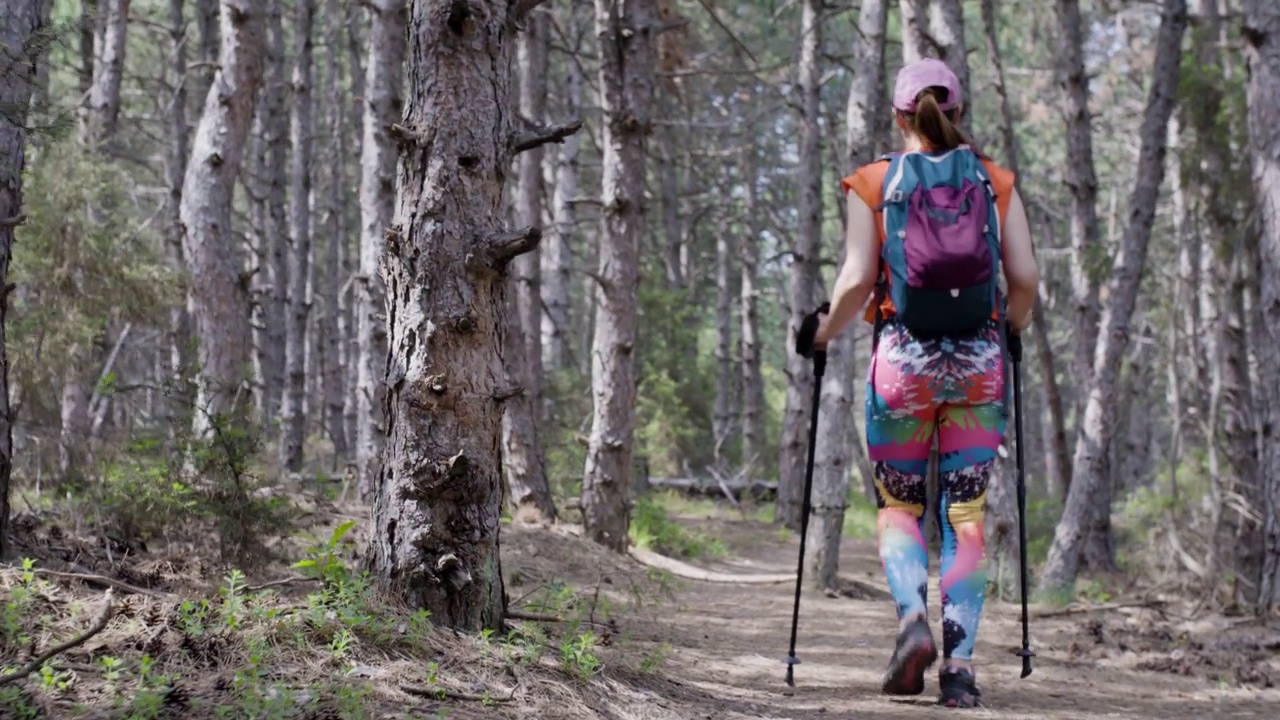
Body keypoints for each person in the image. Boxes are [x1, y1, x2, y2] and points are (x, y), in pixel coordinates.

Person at [811, 58, 1039, 709]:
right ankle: (960, 672)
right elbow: (1024, 280)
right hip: (977, 371)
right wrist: (1010, 330)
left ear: (898, 115)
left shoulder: (874, 182)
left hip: (902, 371)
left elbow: (856, 281)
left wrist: (821, 335)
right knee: (965, 518)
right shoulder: (995, 181)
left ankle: (912, 621)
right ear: (957, 112)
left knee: (899, 509)